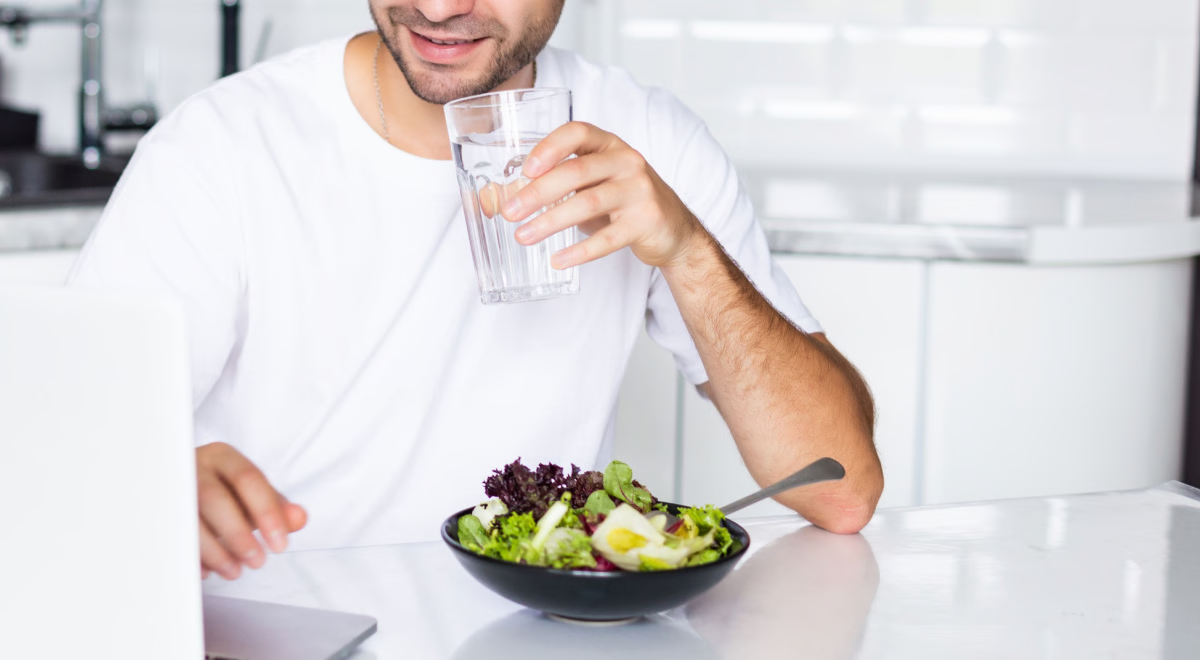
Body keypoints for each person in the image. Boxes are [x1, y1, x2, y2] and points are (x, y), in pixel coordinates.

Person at [68, 0, 884, 581]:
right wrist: (155, 471)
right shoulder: (223, 146)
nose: (437, 6)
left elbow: (841, 490)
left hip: (530, 634)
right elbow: (58, 441)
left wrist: (688, 251)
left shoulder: (650, 138)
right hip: (277, 630)